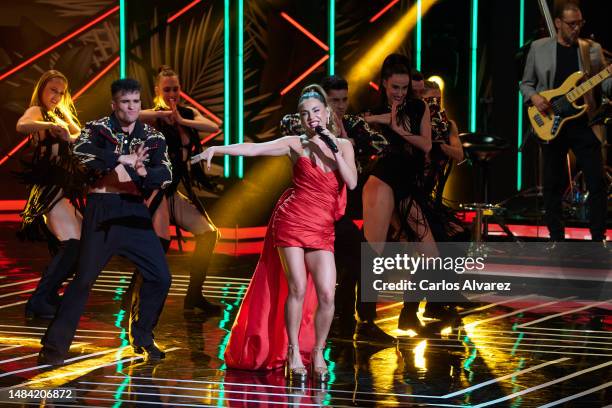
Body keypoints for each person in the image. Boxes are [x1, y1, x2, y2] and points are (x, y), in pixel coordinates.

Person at [193, 84, 357, 383]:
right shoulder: (296, 144)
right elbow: (254, 149)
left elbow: (352, 182)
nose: (311, 118)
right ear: (301, 118)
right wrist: (217, 148)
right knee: (296, 287)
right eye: (305, 114)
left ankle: (318, 351)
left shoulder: (344, 146)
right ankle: (293, 351)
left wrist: (332, 147)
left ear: (327, 112)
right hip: (292, 222)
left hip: (322, 228)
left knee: (326, 294)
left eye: (316, 111)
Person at [38, 78, 173, 365]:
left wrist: (142, 170)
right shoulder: (97, 129)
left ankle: (143, 336)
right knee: (84, 279)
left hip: (134, 211)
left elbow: (166, 173)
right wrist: (120, 158)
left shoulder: (152, 137)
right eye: (126, 102)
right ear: (115, 104)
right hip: (102, 209)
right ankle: (53, 348)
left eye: (136, 101)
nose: (132, 107)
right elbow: (80, 152)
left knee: (160, 276)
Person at [280, 76, 393, 343]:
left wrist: (346, 140)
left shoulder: (353, 125)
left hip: (339, 212)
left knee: (365, 260)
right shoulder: (304, 122)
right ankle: (336, 321)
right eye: (334, 101)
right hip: (310, 215)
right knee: (330, 270)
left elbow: (381, 145)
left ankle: (363, 320)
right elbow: (287, 127)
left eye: (344, 100)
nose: (341, 106)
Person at [129, 66, 222, 314]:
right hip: (156, 191)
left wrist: (181, 120)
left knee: (208, 234)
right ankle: (135, 295)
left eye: (176, 89)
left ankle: (194, 297)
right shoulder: (154, 117)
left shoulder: (187, 113)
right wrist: (160, 113)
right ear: (158, 90)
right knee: (160, 245)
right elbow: (131, 115)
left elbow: (215, 125)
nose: (172, 94)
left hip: (173, 192)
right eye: (167, 89)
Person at [520, 0, 611, 246]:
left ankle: (597, 238)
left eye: (579, 23)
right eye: (571, 24)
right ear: (558, 23)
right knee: (552, 183)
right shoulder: (539, 48)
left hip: (584, 123)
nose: (576, 29)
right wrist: (536, 98)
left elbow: (604, 85)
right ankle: (556, 238)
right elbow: (525, 84)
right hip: (551, 122)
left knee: (597, 181)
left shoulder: (591, 49)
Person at [361, 56, 434, 331]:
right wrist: (381, 120)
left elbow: (426, 145)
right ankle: (365, 319)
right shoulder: (377, 110)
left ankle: (408, 313)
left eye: (404, 87)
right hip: (382, 181)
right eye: (395, 87)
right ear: (384, 83)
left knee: (431, 254)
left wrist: (398, 129)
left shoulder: (418, 107)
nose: (401, 93)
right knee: (373, 253)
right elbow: (358, 124)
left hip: (406, 186)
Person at [15, 70, 85, 319]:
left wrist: (68, 133)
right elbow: (22, 124)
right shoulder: (38, 111)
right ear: (42, 90)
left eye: (61, 92)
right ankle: (38, 301)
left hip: (64, 187)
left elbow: (81, 136)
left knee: (84, 244)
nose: (56, 96)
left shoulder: (62, 115)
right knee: (73, 243)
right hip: (48, 188)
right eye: (52, 90)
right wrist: (49, 125)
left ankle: (49, 294)